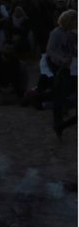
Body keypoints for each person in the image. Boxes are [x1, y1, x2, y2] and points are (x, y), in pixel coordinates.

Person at [45, 10, 77, 139]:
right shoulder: (56, 33)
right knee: (59, 95)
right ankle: (58, 122)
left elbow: (73, 48)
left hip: (70, 66)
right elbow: (50, 50)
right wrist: (62, 60)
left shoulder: (70, 33)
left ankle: (61, 123)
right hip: (60, 67)